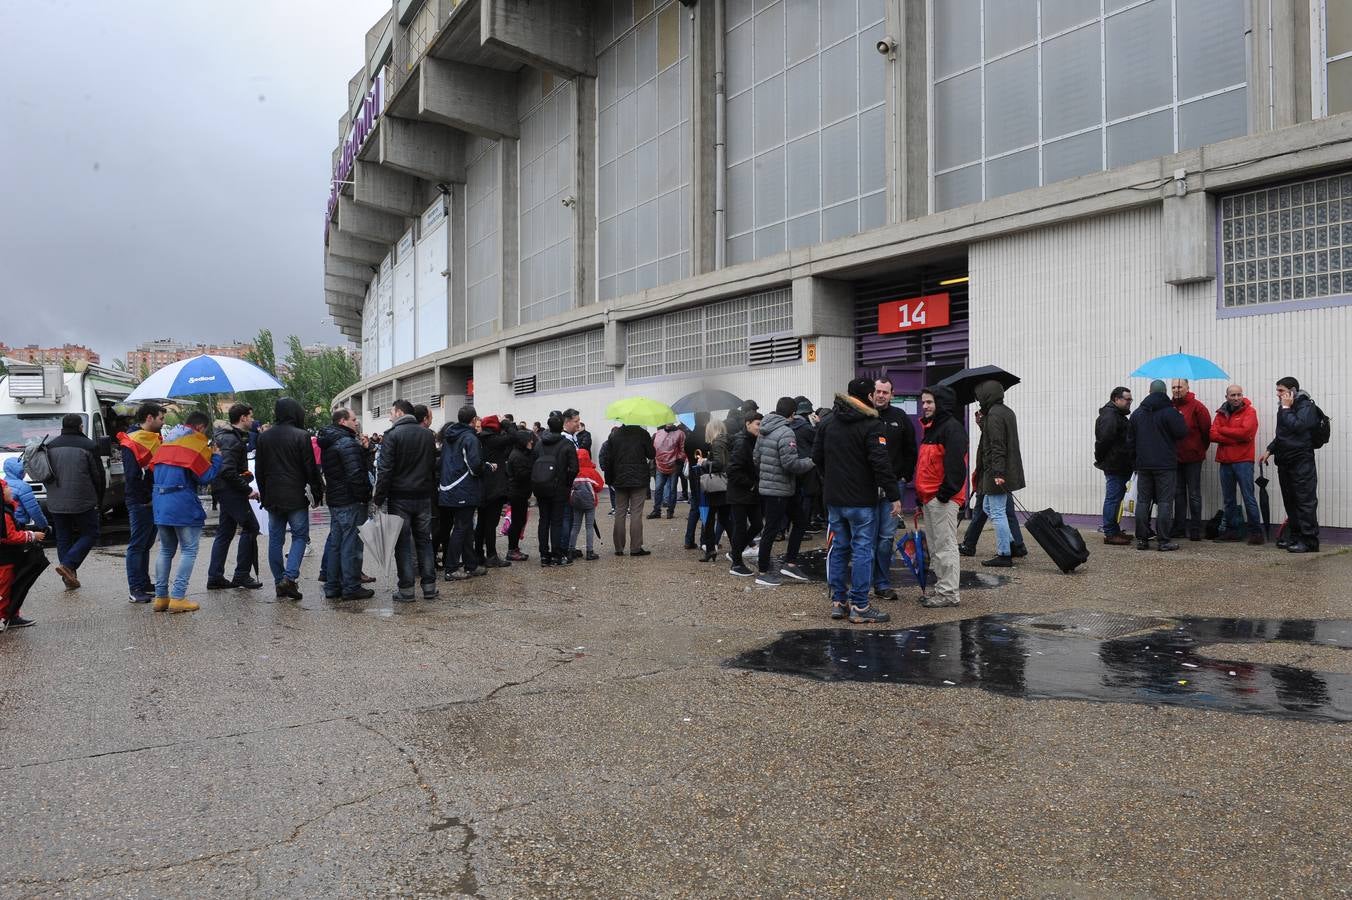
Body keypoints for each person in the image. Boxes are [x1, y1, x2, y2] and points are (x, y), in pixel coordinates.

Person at [811, 378, 901, 623]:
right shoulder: (872, 424)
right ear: (869, 396)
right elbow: (880, 463)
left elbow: (816, 456)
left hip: (834, 498)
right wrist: (894, 495)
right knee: (862, 550)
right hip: (861, 500)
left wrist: (829, 480)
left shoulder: (828, 422)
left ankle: (839, 601)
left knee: (839, 548)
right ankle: (860, 606)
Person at [150, 413, 223, 613]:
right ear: (200, 427)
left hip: (160, 501)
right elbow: (205, 477)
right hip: (181, 501)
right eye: (205, 431)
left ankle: (161, 597)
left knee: (165, 550)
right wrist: (216, 457)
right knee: (189, 550)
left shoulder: (168, 441)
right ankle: (178, 597)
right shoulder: (193, 442)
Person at [255, 397, 325, 600]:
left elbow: (260, 470)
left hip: (273, 496)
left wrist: (264, 494)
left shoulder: (264, 437)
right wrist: (317, 492)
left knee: (275, 539)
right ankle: (290, 577)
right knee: (300, 536)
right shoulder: (301, 436)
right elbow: (310, 468)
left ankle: (280, 581)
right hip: (295, 495)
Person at [373, 400, 440, 601]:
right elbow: (432, 465)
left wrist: (378, 498)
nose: (390, 416)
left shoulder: (392, 436)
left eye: (391, 412)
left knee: (402, 543)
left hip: (400, 497)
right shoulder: (427, 435)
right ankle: (429, 586)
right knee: (424, 541)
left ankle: (407, 589)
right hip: (423, 496)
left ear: (400, 412)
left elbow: (385, 471)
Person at [912, 384, 968, 609]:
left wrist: (944, 494)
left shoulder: (951, 429)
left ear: (940, 404)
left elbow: (956, 466)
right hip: (931, 497)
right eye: (923, 402)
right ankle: (942, 589)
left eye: (929, 402)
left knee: (945, 546)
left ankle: (948, 593)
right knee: (936, 547)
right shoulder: (933, 428)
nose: (924, 406)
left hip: (942, 498)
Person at [752, 397, 815, 586]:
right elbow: (791, 464)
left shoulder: (763, 431)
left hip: (774, 488)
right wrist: (811, 461)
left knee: (797, 521)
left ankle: (790, 562)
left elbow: (756, 458)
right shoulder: (786, 432)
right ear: (792, 414)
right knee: (772, 529)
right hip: (781, 489)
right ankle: (763, 571)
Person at [43, 413, 106, 591]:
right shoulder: (89, 445)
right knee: (91, 533)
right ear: (80, 427)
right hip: (83, 500)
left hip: (56, 500)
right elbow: (98, 476)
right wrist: (99, 500)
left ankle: (68, 577)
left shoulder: (50, 446)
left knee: (63, 536)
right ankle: (69, 565)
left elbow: (44, 473)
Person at [206, 403, 264, 591]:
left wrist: (244, 475)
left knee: (225, 531)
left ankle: (215, 576)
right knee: (251, 527)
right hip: (230, 491)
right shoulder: (231, 440)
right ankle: (241, 575)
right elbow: (227, 471)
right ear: (243, 418)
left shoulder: (226, 437)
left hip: (224, 490)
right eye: (251, 416)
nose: (253, 420)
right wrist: (247, 490)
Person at [1259, 377, 1322, 553]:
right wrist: (1270, 449)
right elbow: (1283, 434)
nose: (1277, 394)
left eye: (1280, 390)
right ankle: (1295, 536)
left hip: (1301, 461)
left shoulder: (1305, 406)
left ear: (1292, 390)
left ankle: (1309, 540)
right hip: (1285, 460)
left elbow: (1299, 427)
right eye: (1277, 390)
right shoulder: (1284, 408)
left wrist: (1286, 408)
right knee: (1290, 500)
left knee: (1305, 501)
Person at [869, 378, 919, 600]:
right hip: (867, 485)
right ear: (873, 393)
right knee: (866, 538)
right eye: (878, 391)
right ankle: (864, 582)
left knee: (886, 537)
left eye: (885, 392)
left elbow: (911, 449)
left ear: (892, 394)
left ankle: (882, 583)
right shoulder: (864, 415)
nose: (881, 395)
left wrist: (905, 476)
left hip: (894, 485)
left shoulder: (900, 418)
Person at [317, 408, 374, 601]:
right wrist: (364, 496)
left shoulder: (330, 441)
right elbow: (356, 474)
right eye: (353, 419)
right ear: (342, 421)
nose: (356, 422)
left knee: (336, 543)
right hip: (350, 499)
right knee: (351, 544)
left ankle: (333, 586)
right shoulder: (346, 443)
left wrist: (365, 452)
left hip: (336, 498)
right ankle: (351, 586)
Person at [969, 380, 1026, 568]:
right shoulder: (1006, 412)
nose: (978, 401)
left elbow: (997, 446)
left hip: (997, 472)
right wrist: (982, 424)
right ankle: (1012, 544)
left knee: (998, 512)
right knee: (988, 506)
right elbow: (997, 438)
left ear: (987, 395)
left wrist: (998, 472)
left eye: (980, 397)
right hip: (1005, 470)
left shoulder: (994, 415)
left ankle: (1004, 554)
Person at [112, 403, 164, 603]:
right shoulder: (131, 441)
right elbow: (133, 476)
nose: (163, 422)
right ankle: (135, 588)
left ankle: (144, 583)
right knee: (137, 544)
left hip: (152, 497)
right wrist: (145, 498)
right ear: (149, 418)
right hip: (141, 500)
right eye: (160, 418)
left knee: (146, 543)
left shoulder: (154, 439)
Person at [1128, 380, 1188, 551]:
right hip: (1165, 465)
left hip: (1143, 465)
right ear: (1165, 392)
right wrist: (1179, 417)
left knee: (1142, 502)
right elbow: (1182, 432)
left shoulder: (1138, 413)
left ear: (1149, 391)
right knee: (1165, 502)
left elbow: (1130, 440)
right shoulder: (1170, 412)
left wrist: (1135, 462)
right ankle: (1163, 541)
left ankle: (1142, 540)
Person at [1210, 384, 1263, 545]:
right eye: (1232, 395)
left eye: (1239, 394)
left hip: (1243, 461)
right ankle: (1232, 531)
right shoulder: (1221, 413)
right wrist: (1234, 438)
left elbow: (1247, 433)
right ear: (1227, 397)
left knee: (1248, 497)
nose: (1236, 398)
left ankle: (1256, 533)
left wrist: (1224, 431)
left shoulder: (1250, 412)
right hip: (1225, 461)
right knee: (1229, 499)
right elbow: (1212, 434)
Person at [440, 406, 487, 580]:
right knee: (461, 528)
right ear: (474, 420)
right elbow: (475, 466)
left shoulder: (449, 436)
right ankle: (451, 568)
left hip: (448, 488)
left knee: (466, 528)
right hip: (464, 488)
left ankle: (471, 564)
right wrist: (486, 467)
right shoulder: (469, 438)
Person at [0, 478, 49, 631]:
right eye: (6, 488)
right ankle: (5, 617)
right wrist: (32, 535)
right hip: (5, 560)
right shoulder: (4, 514)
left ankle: (12, 615)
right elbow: (9, 536)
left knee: (13, 587)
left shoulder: (7, 510)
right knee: (5, 589)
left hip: (9, 558)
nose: (10, 490)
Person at [601, 421, 655, 556]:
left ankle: (619, 548)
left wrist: (609, 479)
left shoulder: (614, 435)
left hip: (619, 479)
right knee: (636, 513)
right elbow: (651, 454)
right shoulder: (643, 434)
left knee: (620, 512)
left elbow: (608, 458)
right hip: (639, 479)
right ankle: (635, 547)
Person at [533, 415, 579, 566]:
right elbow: (574, 468)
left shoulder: (539, 444)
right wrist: (567, 483)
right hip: (559, 488)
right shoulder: (566, 444)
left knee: (543, 520)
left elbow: (532, 464)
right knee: (557, 522)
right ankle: (556, 555)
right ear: (562, 427)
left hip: (541, 487)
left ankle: (543, 555)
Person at [1170, 378, 1212, 541]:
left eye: (1179, 386)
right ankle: (1179, 527)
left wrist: (1198, 449)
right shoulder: (1169, 406)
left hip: (1193, 458)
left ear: (1187, 387)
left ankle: (1195, 529)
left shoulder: (1197, 407)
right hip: (1175, 458)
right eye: (1173, 387)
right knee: (1178, 494)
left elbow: (1206, 431)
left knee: (1194, 493)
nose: (1176, 390)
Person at [1093, 386, 1135, 546]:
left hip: (1118, 463)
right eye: (1127, 399)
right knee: (1113, 498)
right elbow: (1104, 440)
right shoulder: (1111, 416)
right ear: (1116, 399)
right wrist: (1101, 458)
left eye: (1130, 399)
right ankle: (1110, 532)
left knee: (1116, 498)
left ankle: (1114, 529)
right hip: (1115, 464)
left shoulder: (1116, 415)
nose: (1130, 402)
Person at [725, 412, 763, 577]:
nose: (760, 428)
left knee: (757, 525)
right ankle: (736, 563)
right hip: (740, 493)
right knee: (740, 528)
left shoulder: (752, 440)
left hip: (749, 493)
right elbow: (732, 470)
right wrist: (752, 485)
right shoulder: (742, 442)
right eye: (757, 424)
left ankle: (736, 552)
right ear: (747, 424)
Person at [475, 415, 515, 567]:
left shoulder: (478, 439)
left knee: (481, 523)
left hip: (481, 487)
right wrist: (506, 423)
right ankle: (491, 555)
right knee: (491, 524)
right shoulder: (495, 440)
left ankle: (478, 554)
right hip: (495, 488)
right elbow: (514, 436)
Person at [693, 419, 730, 562]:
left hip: (717, 486)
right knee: (724, 519)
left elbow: (719, 464)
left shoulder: (717, 443)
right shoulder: (727, 441)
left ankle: (710, 550)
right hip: (725, 484)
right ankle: (735, 549)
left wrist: (704, 462)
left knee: (710, 520)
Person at [569, 448, 605, 561]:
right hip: (590, 503)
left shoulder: (573, 471)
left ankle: (571, 550)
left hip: (575, 502)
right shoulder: (592, 472)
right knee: (589, 527)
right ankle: (590, 552)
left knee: (575, 526)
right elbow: (599, 486)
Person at [504, 429, 534, 561]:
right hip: (517, 493)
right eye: (529, 439)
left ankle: (514, 548)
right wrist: (533, 470)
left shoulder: (521, 454)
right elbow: (521, 475)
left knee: (520, 520)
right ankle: (512, 549)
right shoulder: (517, 456)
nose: (531, 442)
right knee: (517, 521)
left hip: (520, 492)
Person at [683, 413, 711, 550]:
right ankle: (704, 540)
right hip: (706, 475)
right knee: (706, 507)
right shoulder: (708, 436)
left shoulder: (689, 438)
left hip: (693, 476)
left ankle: (689, 539)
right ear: (706, 419)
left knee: (695, 507)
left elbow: (687, 454)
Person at [649, 422, 686, 519]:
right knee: (658, 488)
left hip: (674, 465)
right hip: (660, 464)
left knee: (672, 490)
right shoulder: (659, 433)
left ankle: (670, 511)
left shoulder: (680, 433)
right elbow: (654, 447)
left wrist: (678, 460)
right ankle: (657, 510)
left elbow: (683, 448)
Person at [1, 458, 48, 532]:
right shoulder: (23, 486)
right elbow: (34, 510)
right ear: (19, 472)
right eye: (23, 471)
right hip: (19, 523)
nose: (25, 473)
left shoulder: (3, 484)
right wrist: (44, 525)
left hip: (5, 522)